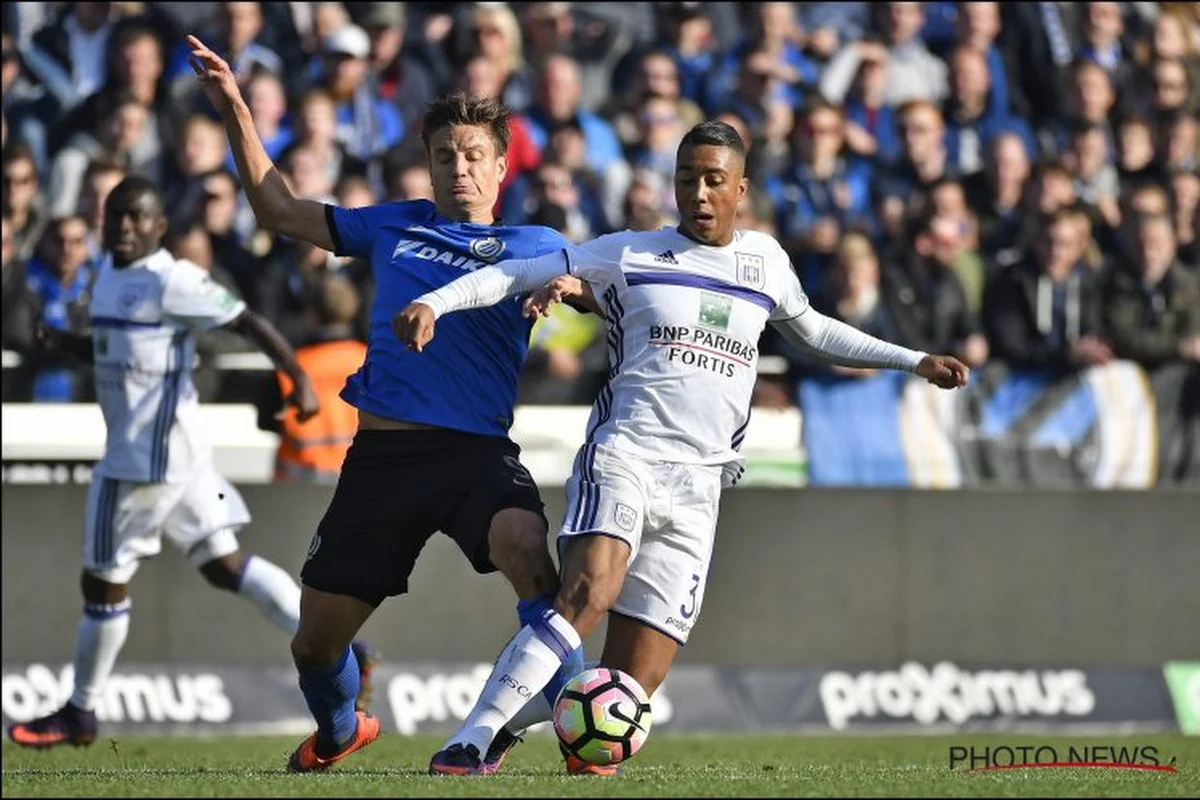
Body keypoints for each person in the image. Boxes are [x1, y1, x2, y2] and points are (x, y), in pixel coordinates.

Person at [394, 120, 970, 776]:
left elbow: (814, 332)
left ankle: (509, 729)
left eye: (713, 180)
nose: (697, 193)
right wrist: (436, 303)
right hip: (627, 455)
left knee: (625, 698)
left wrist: (914, 359)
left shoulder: (766, 263)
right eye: (686, 178)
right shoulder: (631, 252)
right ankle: (471, 737)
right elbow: (517, 271)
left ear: (741, 189)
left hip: (702, 485)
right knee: (587, 593)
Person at [187, 37, 589, 773]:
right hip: (384, 459)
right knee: (315, 643)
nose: (459, 167)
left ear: (502, 165)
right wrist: (238, 110)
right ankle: (342, 727)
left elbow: (602, 289)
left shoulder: (535, 242)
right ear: (429, 164)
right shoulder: (394, 224)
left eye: (473, 155)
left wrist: (568, 289)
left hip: (476, 455)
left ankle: (579, 737)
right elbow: (278, 209)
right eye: (445, 155)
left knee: (533, 560)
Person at [6, 176, 327, 749]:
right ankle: (340, 649)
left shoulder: (173, 279)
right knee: (223, 565)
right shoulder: (109, 279)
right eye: (115, 217)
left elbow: (247, 321)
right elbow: (113, 348)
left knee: (102, 582)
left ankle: (79, 711)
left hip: (140, 464)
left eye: (136, 218)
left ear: (159, 227)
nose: (124, 227)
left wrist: (298, 378)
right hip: (184, 460)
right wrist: (63, 342)